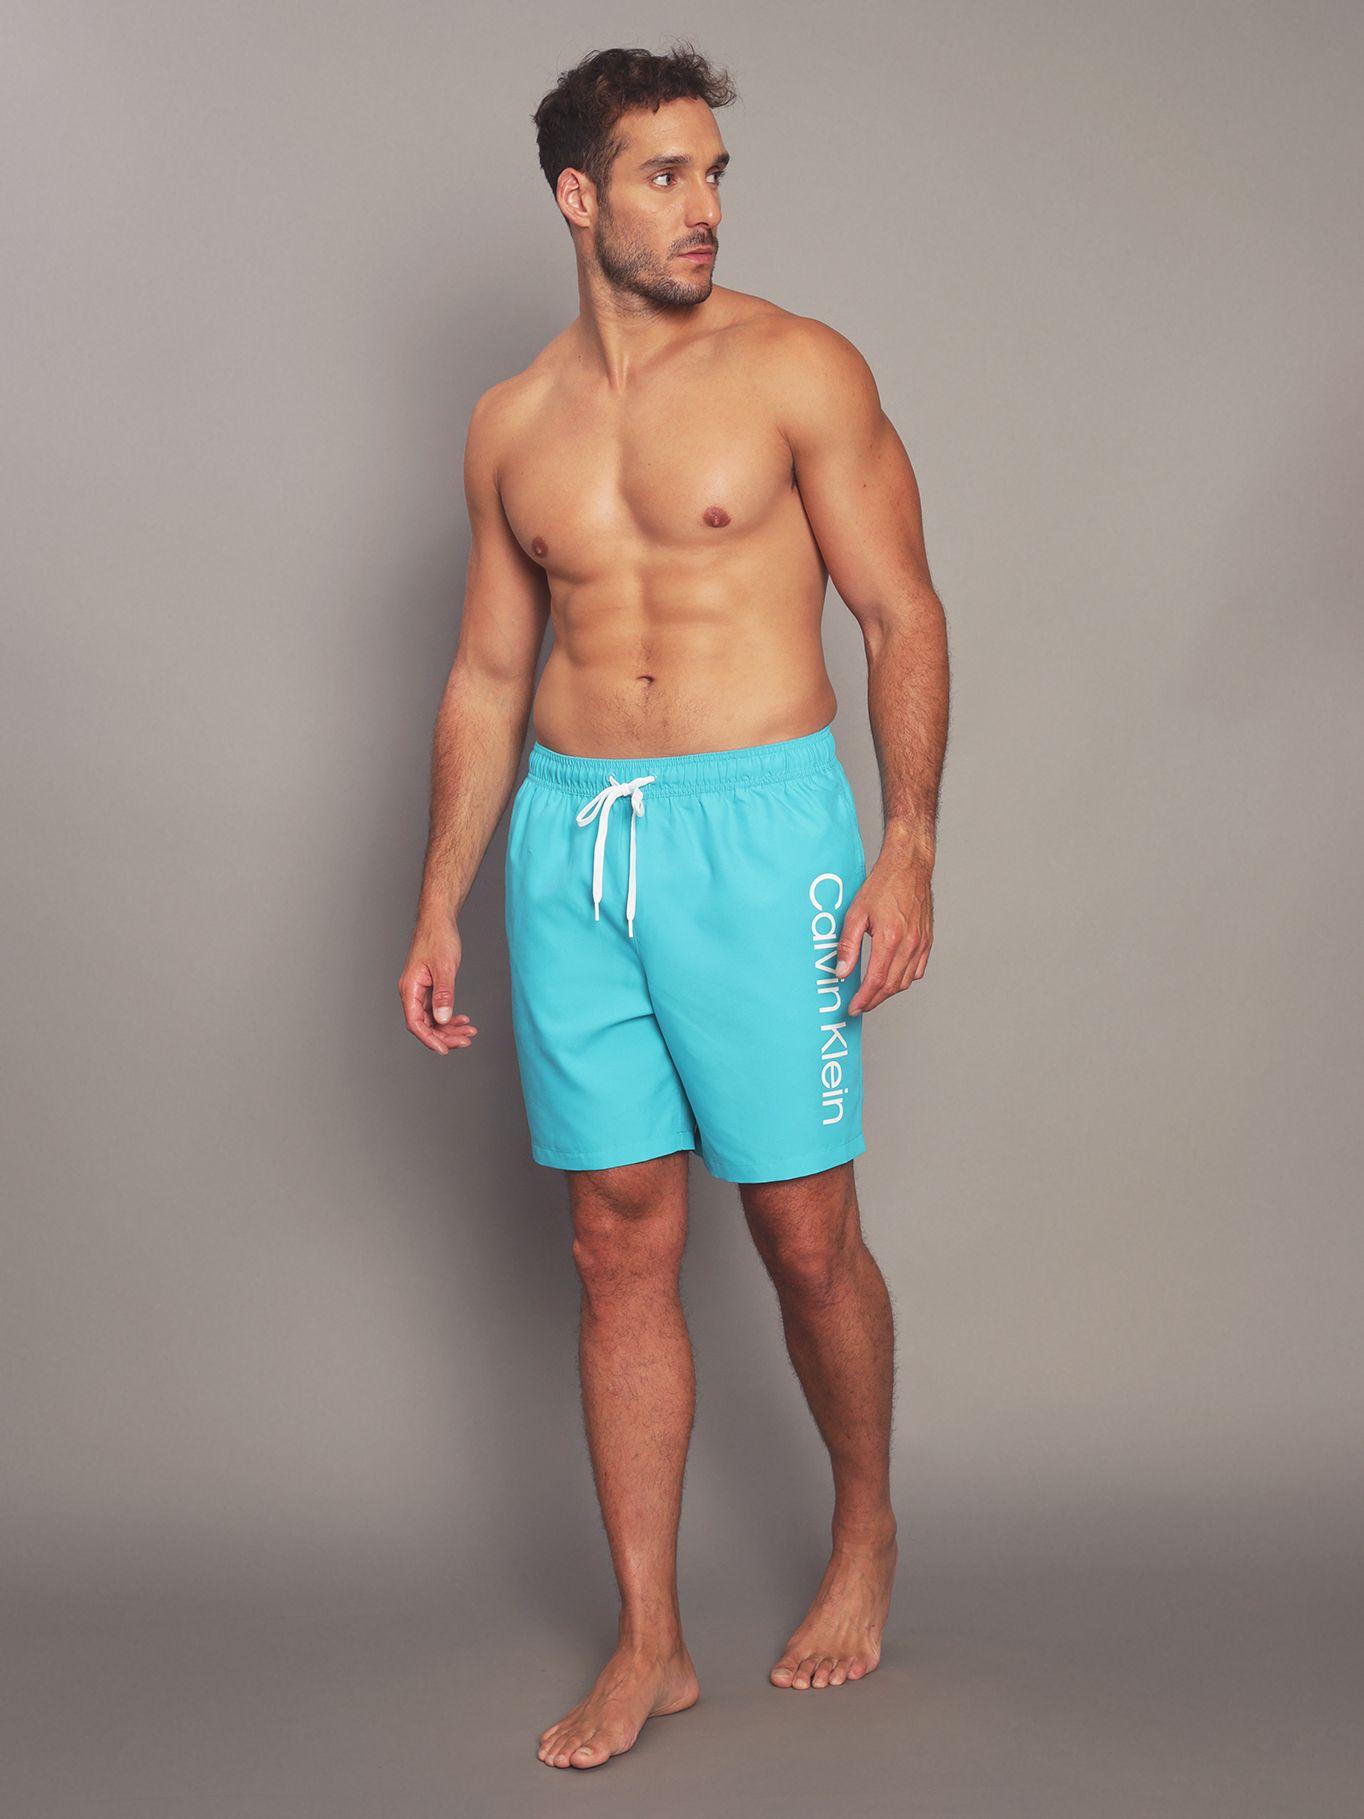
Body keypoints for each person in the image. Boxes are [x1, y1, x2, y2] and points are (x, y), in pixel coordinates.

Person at [398, 42, 950, 1772]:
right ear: (579, 198)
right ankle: (652, 1638)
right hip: (576, 847)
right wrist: (440, 899)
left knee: (802, 1232)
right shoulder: (512, 423)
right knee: (615, 1237)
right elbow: (490, 676)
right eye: (663, 176)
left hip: (760, 837)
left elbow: (901, 611)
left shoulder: (797, 369)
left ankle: (865, 1529)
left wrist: (910, 840)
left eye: (712, 172)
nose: (702, 206)